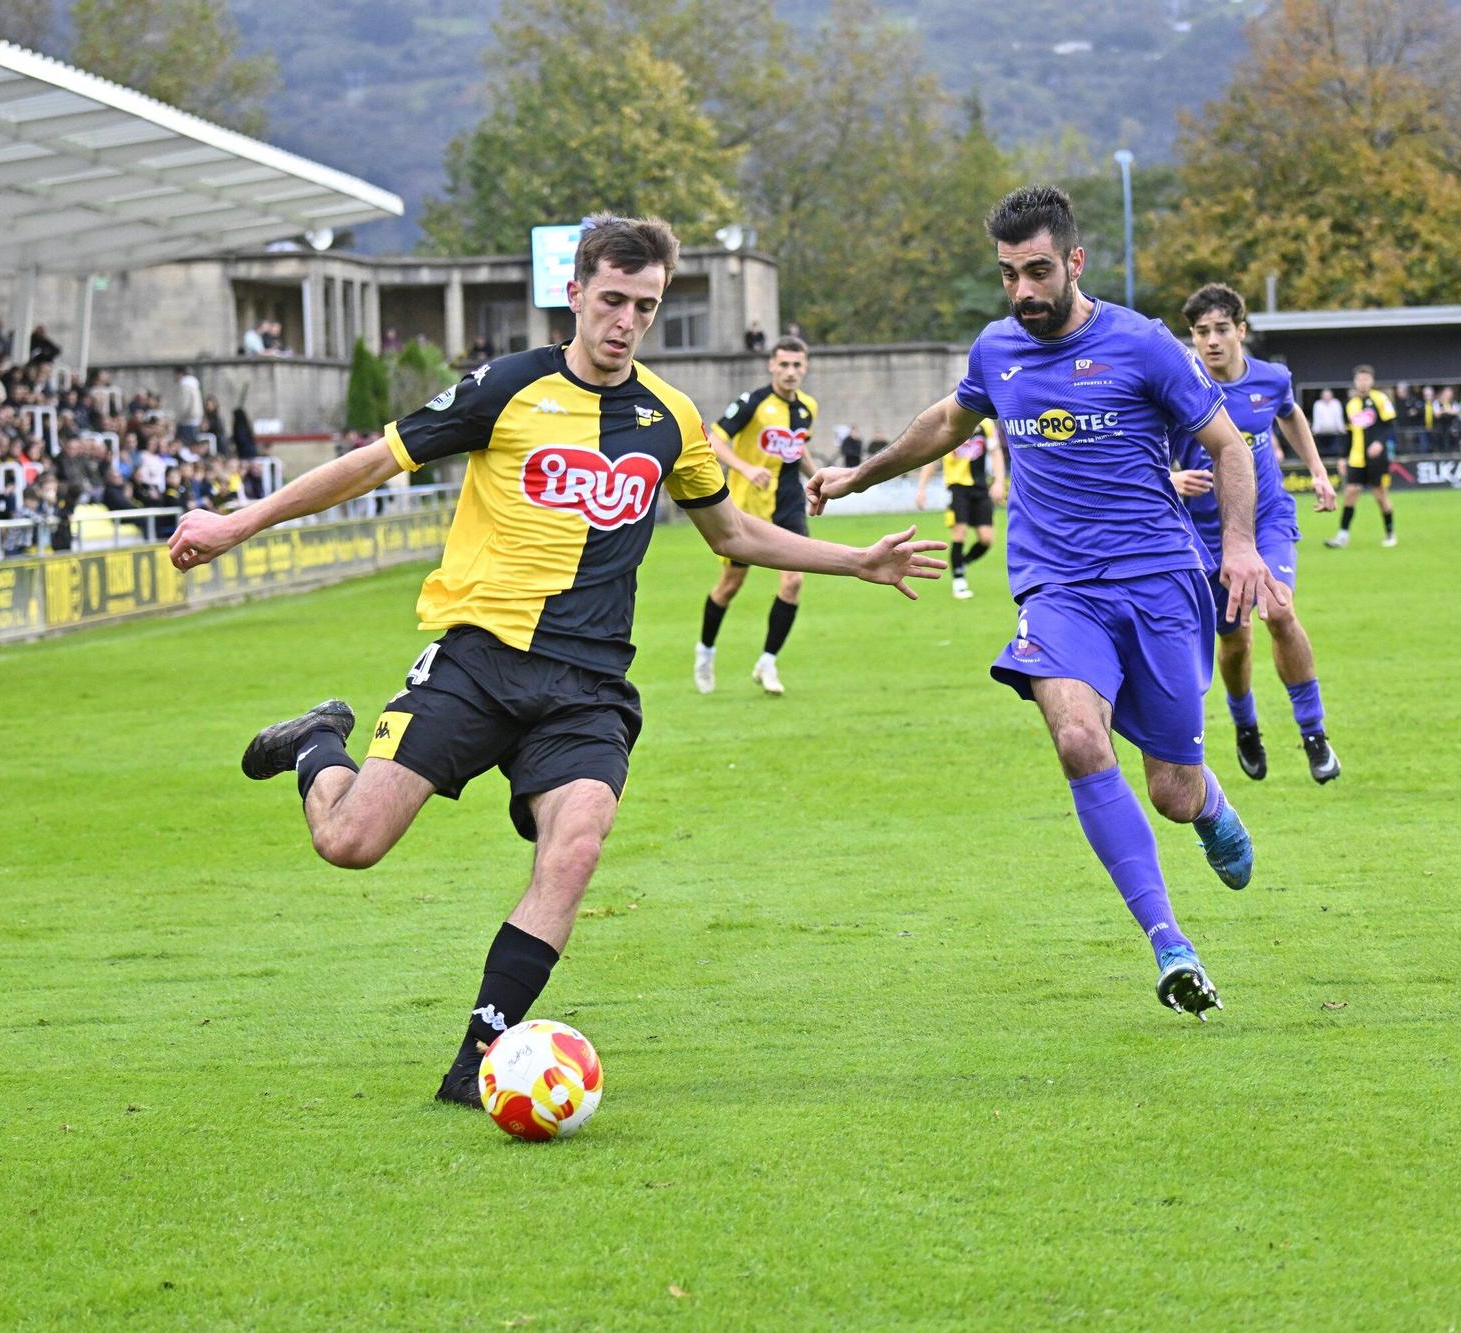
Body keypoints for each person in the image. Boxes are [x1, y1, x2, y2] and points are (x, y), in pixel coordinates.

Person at [164, 215, 943, 1108]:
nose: (627, 321)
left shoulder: (671, 418)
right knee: (349, 843)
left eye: (645, 306)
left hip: (587, 685)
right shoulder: (507, 387)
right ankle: (316, 742)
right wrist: (238, 522)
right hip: (478, 660)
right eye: (612, 299)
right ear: (574, 293)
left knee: (574, 845)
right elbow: (375, 462)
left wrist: (856, 559)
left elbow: (731, 531)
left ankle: (478, 1061)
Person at [807, 186, 1284, 1020]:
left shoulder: (1143, 344)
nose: (1022, 291)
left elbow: (1227, 444)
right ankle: (1169, 943)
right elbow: (947, 421)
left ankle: (1209, 802)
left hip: (1160, 582)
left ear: (1074, 261)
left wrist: (1239, 545)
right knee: (1076, 737)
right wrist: (859, 477)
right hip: (1057, 588)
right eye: (1008, 275)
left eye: (1036, 271)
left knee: (1172, 792)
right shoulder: (997, 349)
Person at [1169, 283, 1342, 785]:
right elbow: (1143, 446)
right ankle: (1246, 726)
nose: (1212, 340)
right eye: (1201, 331)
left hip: (1267, 519)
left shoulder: (1272, 378)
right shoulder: (1177, 386)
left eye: (1221, 329)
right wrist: (1170, 479)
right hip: (1205, 532)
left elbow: (1290, 413)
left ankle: (1314, 733)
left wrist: (1318, 471)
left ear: (1241, 330)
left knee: (1279, 610)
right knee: (1235, 641)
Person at [692, 336, 821, 696]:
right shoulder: (753, 402)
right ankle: (705, 651)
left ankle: (767, 662)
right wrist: (746, 468)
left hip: (789, 505)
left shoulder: (808, 407)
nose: (790, 371)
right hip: (747, 509)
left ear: (805, 367)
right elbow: (714, 439)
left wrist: (818, 479)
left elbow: (799, 448)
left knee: (793, 581)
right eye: (784, 364)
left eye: (797, 365)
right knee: (730, 586)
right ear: (772, 365)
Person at [913, 417, 1005, 598]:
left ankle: (961, 562)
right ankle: (959, 582)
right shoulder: (947, 424)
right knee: (959, 532)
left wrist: (999, 481)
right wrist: (921, 489)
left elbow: (996, 453)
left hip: (980, 488)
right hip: (957, 488)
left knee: (986, 539)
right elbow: (932, 460)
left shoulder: (985, 424)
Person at [1325, 365, 1397, 548]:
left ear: (1372, 381)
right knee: (1350, 492)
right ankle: (1342, 536)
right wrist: (1343, 457)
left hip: (1377, 458)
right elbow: (1348, 434)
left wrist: (1380, 442)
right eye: (1360, 379)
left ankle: (1390, 533)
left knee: (1380, 495)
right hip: (1357, 458)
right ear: (1355, 382)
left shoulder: (1380, 399)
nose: (1363, 383)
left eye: (1366, 379)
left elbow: (1390, 425)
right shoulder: (1351, 405)